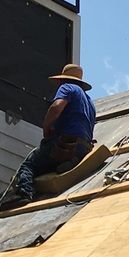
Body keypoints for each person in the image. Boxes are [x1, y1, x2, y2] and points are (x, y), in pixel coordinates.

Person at [12, 63, 97, 205]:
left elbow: (57, 107)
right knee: (49, 162)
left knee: (29, 165)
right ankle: (69, 160)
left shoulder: (67, 87)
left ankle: (24, 193)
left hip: (65, 144)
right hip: (83, 147)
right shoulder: (89, 101)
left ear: (60, 80)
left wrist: (46, 127)